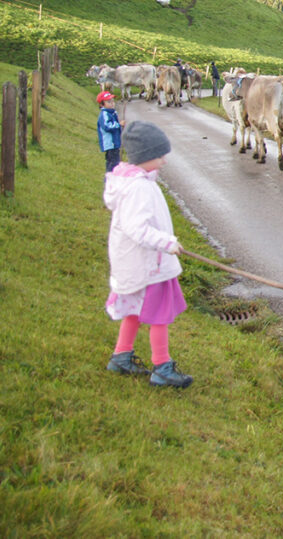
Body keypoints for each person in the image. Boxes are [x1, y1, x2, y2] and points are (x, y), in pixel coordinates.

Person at [103, 121, 193, 388]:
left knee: (134, 309)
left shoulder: (134, 182)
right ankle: (162, 367)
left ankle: (121, 355)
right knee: (158, 315)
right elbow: (137, 228)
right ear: (145, 156)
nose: (164, 161)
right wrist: (166, 243)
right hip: (148, 265)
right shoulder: (138, 188)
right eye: (160, 155)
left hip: (138, 262)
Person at [96, 91, 124, 174]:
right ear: (102, 104)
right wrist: (118, 125)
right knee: (113, 164)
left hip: (115, 143)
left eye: (112, 101)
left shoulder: (112, 113)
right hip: (110, 144)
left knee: (116, 163)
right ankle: (110, 180)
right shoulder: (104, 114)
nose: (112, 103)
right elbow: (107, 126)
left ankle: (114, 179)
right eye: (109, 102)